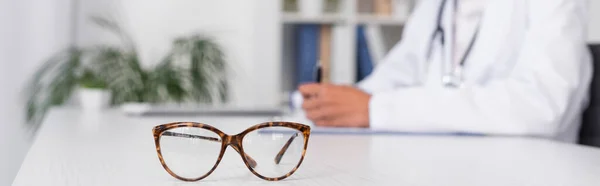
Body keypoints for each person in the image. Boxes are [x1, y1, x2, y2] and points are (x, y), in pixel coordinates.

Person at [299, 0, 592, 143]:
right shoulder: (438, 4)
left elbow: (540, 106)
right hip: (443, 161)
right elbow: (398, 72)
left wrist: (377, 109)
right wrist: (333, 104)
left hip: (528, 170)